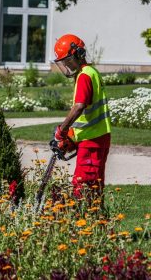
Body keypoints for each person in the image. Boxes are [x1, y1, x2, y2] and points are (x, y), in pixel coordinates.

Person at [53, 34, 111, 201]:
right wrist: (73, 137)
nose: (65, 65)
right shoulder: (91, 72)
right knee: (95, 188)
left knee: (83, 187)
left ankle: (83, 220)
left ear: (77, 54)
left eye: (67, 60)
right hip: (95, 137)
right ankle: (96, 222)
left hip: (92, 142)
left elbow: (79, 106)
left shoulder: (85, 75)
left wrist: (62, 131)